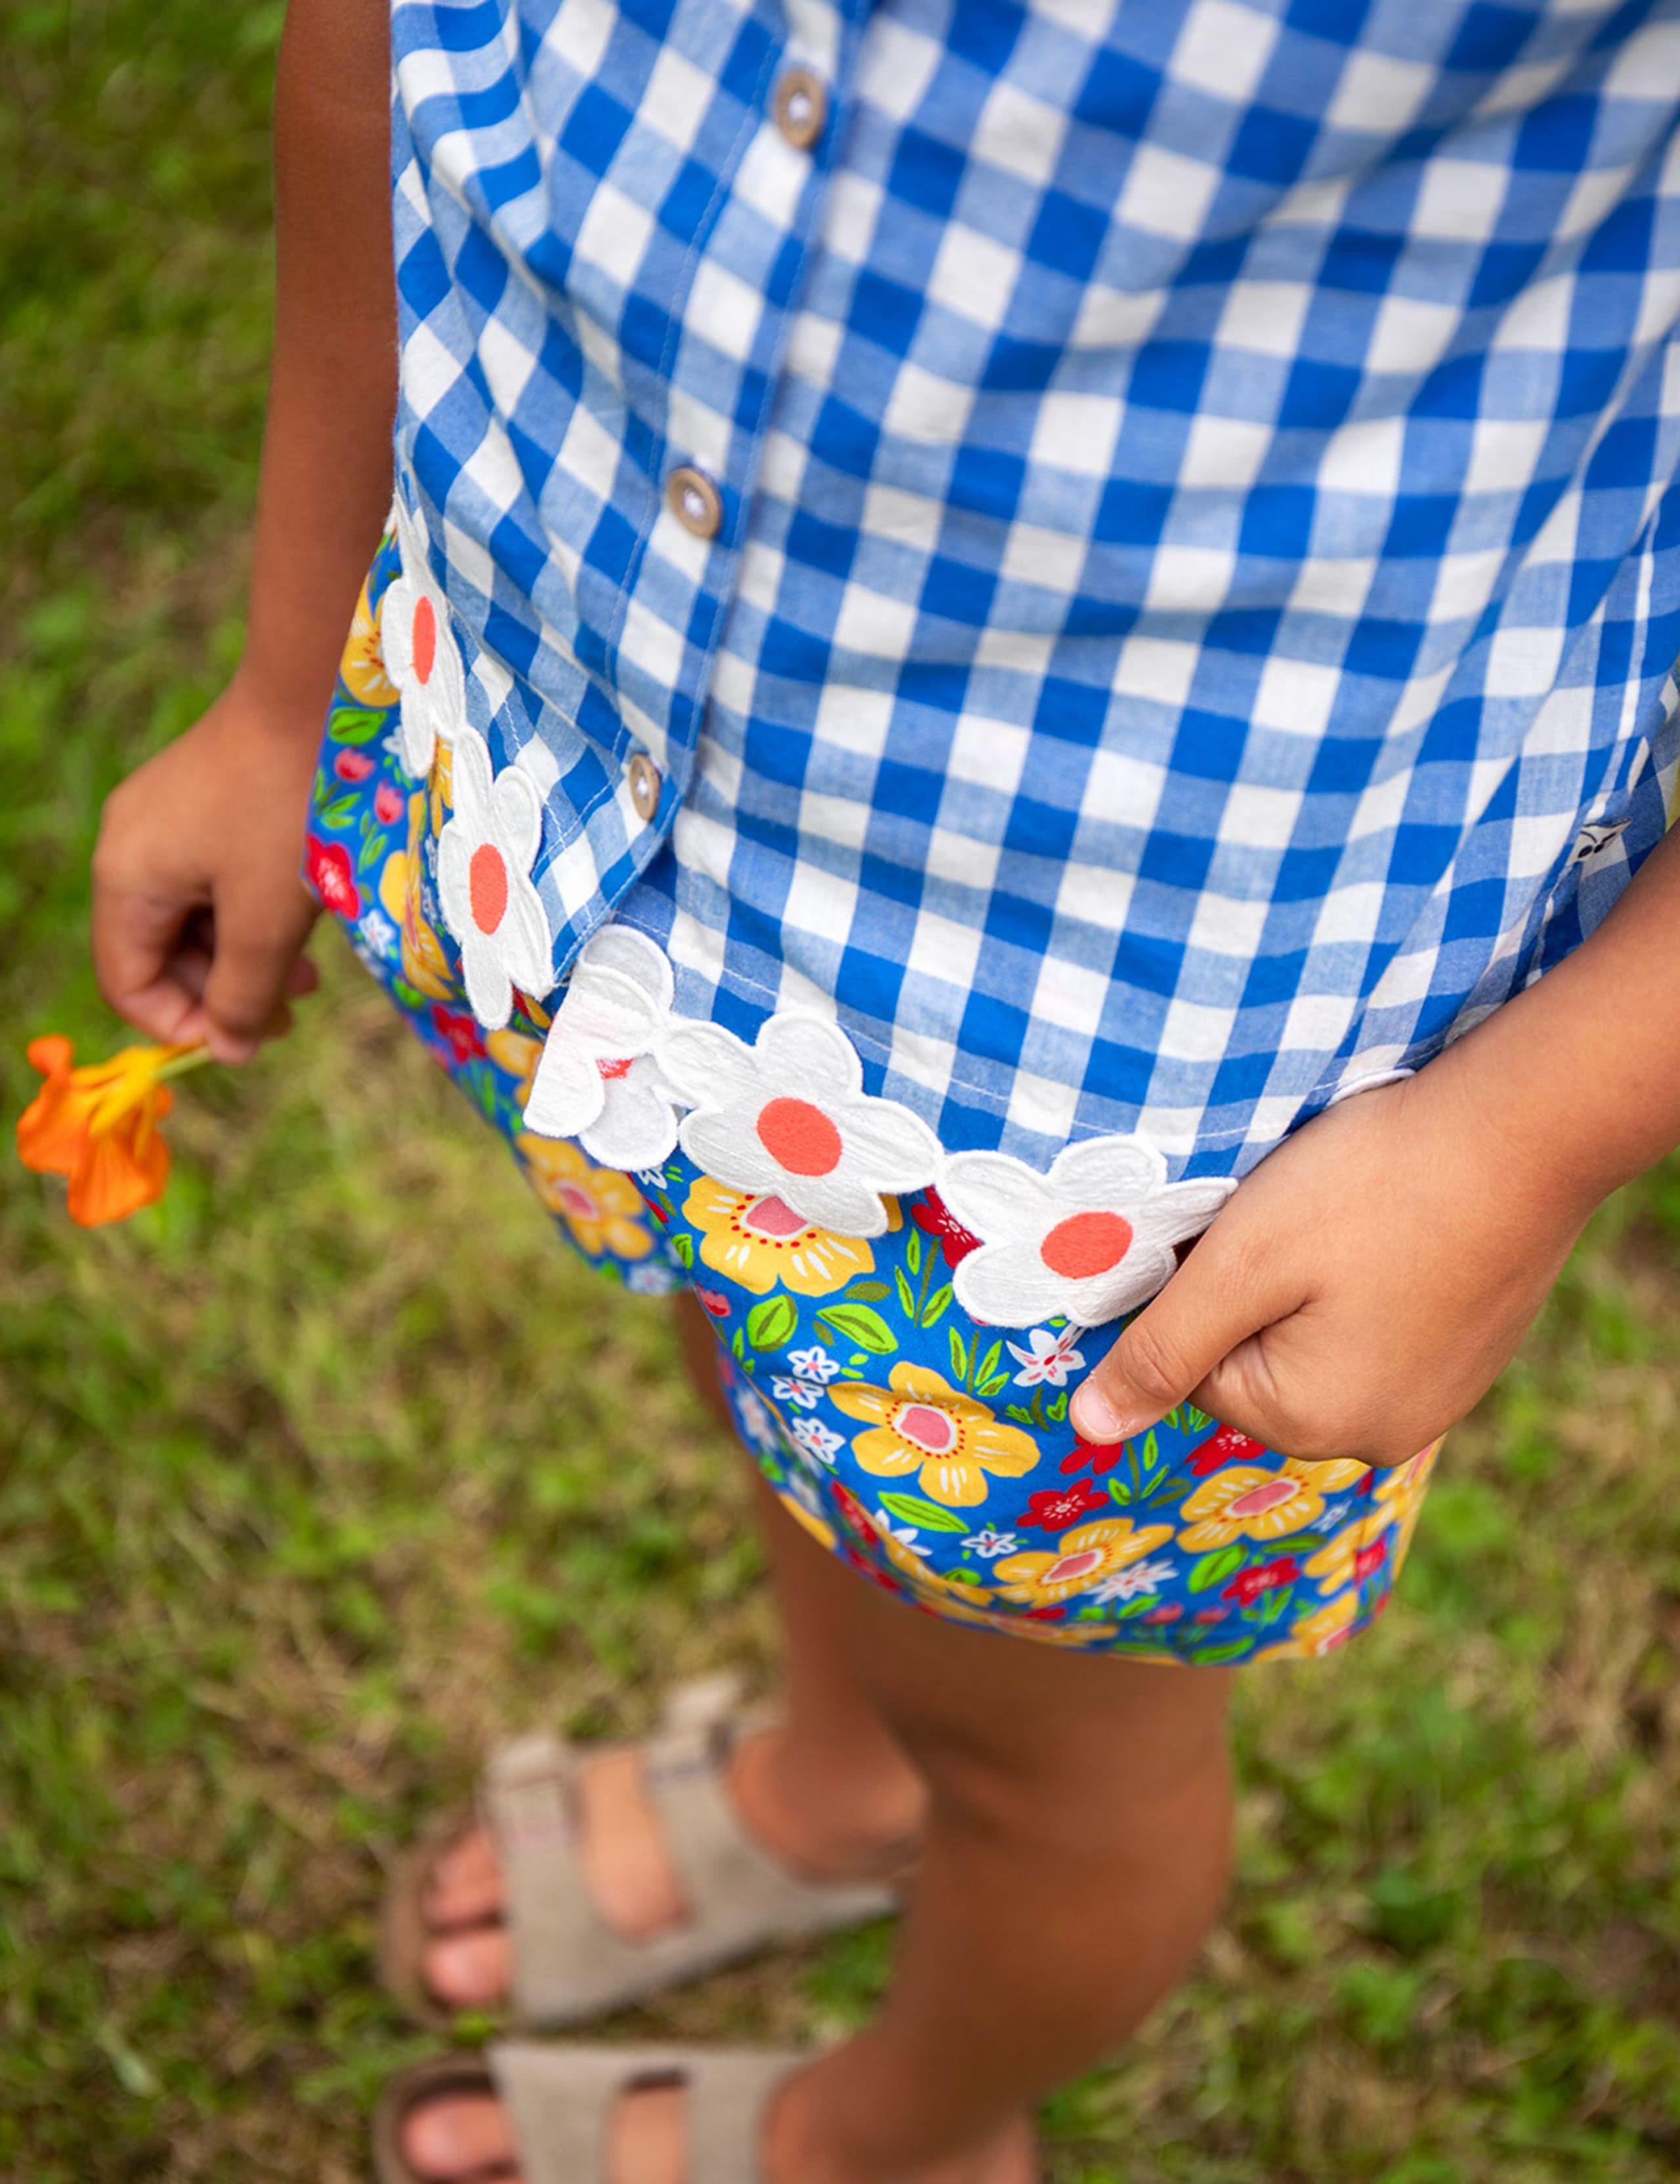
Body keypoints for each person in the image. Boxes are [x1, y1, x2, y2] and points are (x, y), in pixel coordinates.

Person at [89, 0, 1680, 2176]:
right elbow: (383, 40)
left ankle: (900, 2140)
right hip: (584, 822)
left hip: (1124, 1109)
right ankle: (835, 1781)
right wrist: (287, 688)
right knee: (746, 1352)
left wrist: (1537, 1126)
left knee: (1047, 1765)